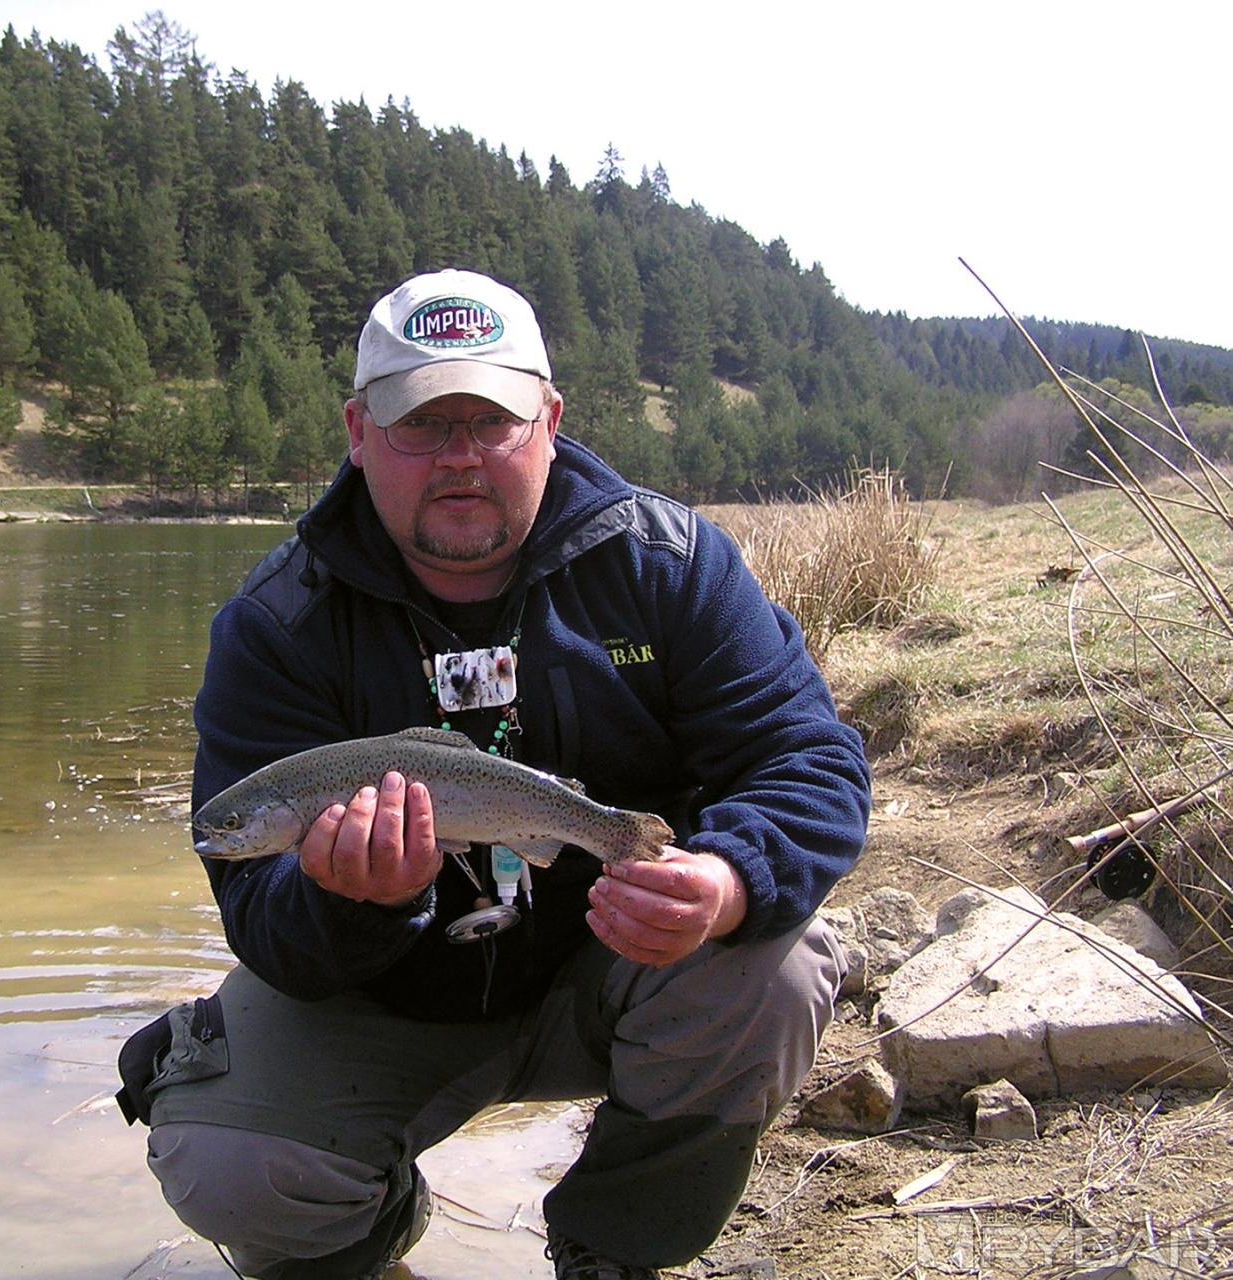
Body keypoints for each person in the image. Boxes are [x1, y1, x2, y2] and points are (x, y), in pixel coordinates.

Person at [116, 268, 870, 1280]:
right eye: (422, 424)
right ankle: (373, 1229)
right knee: (226, 1161)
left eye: (491, 421)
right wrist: (351, 902)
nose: (459, 455)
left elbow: (808, 759)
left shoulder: (667, 563)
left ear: (549, 421)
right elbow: (257, 912)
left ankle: (615, 1243)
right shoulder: (276, 624)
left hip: (615, 966)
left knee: (775, 965)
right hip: (380, 1005)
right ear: (358, 431)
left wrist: (727, 879)